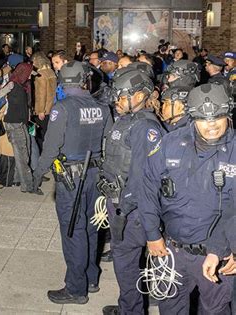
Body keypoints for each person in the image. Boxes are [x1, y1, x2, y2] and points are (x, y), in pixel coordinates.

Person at [139, 83, 234, 314]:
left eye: (217, 116)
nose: (211, 124)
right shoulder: (170, 143)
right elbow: (147, 186)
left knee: (215, 310)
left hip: (218, 255)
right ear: (192, 117)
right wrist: (152, 234)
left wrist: (225, 247)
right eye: (203, 118)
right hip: (172, 250)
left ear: (229, 113)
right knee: (170, 308)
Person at [33, 61, 112, 304]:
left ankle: (76, 289)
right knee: (91, 229)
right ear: (84, 80)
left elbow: (51, 146)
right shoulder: (102, 108)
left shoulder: (63, 108)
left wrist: (38, 173)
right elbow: (109, 142)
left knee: (73, 232)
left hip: (72, 180)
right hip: (96, 177)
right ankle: (91, 278)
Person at [97, 68, 164, 315]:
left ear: (139, 96)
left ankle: (131, 310)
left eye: (122, 95)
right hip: (121, 206)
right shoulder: (128, 120)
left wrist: (121, 209)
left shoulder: (146, 128)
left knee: (126, 266)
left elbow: (140, 179)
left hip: (131, 212)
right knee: (126, 268)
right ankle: (129, 306)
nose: (117, 100)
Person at [1, 63, 39, 194]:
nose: (30, 77)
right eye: (28, 74)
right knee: (22, 154)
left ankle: (18, 179)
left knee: (25, 151)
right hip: (14, 123)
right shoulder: (12, 85)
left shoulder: (22, 85)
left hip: (20, 122)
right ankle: (27, 185)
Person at [32, 52, 57, 152]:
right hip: (51, 107)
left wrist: (40, 110)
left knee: (40, 135)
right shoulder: (51, 72)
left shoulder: (41, 75)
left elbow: (40, 94)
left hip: (43, 110)